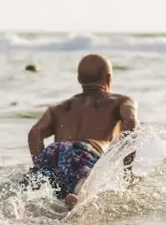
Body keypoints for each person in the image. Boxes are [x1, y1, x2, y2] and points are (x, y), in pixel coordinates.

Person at [23, 54, 139, 209]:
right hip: (86, 150)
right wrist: (127, 171)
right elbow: (131, 123)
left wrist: (41, 167)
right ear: (108, 78)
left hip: (54, 152)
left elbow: (35, 133)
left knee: (28, 188)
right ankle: (77, 195)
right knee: (85, 181)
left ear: (79, 79)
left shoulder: (59, 107)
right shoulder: (120, 102)